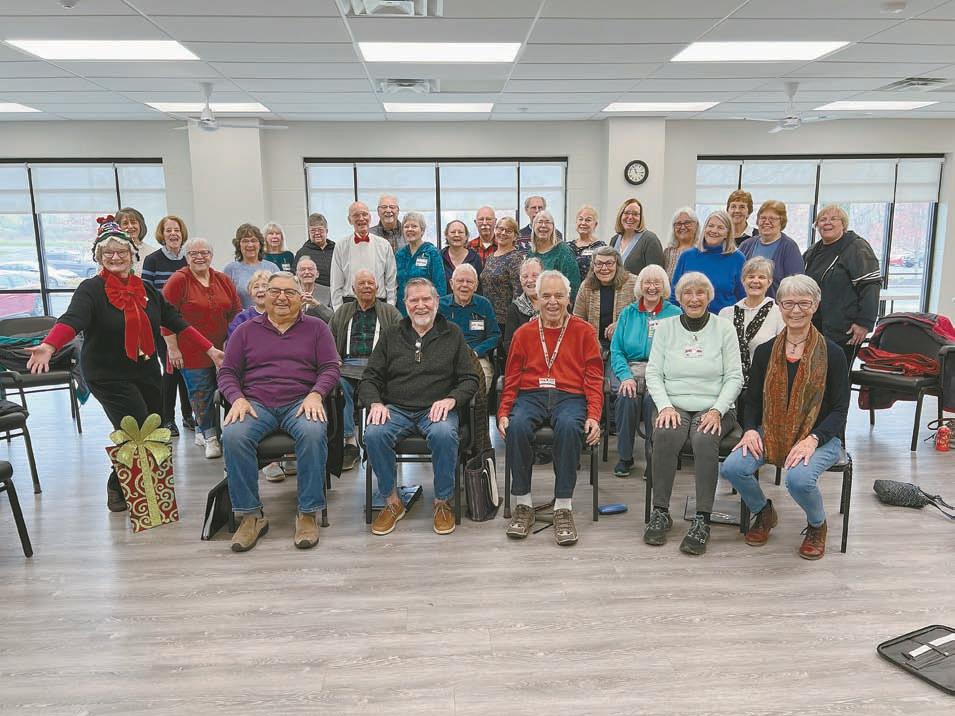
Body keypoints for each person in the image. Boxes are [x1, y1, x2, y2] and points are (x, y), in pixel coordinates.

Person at [26, 216, 222, 512]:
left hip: (145, 370)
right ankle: (137, 497)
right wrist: (49, 345)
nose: (115, 258)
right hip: (107, 374)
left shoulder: (147, 290)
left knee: (154, 429)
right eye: (108, 253)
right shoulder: (91, 290)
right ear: (99, 257)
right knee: (136, 428)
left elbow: (177, 321)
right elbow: (72, 319)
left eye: (121, 252)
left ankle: (127, 487)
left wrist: (211, 350)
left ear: (132, 255)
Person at [720, 275, 849, 561]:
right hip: (773, 429)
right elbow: (752, 400)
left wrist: (813, 439)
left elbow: (840, 410)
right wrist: (750, 430)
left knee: (799, 480)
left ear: (815, 305)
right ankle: (763, 511)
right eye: (789, 303)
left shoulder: (833, 353)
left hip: (820, 436)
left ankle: (817, 525)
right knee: (732, 468)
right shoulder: (766, 351)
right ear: (779, 306)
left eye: (804, 303)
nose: (796, 310)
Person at [218, 272, 341, 553]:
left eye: (290, 292)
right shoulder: (245, 331)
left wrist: (316, 394)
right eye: (275, 291)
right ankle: (251, 515)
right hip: (256, 403)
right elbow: (227, 372)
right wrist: (236, 398)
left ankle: (307, 512)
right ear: (265, 295)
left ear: (301, 298)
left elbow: (330, 367)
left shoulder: (317, 329)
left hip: (301, 401)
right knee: (233, 436)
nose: (282, 298)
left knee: (313, 433)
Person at [359, 278, 480, 537]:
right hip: (396, 409)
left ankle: (442, 502)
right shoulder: (391, 335)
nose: (421, 305)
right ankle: (392, 502)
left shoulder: (452, 333)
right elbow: (369, 378)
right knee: (374, 433)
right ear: (405, 304)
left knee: (444, 434)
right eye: (414, 300)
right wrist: (375, 403)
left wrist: (451, 400)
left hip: (436, 409)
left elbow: (470, 379)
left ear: (436, 302)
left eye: (426, 299)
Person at [498, 270, 603, 546]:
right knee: (517, 426)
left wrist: (594, 415)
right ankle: (523, 504)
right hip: (531, 394)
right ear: (537, 299)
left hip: (570, 395)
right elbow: (511, 378)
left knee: (569, 427)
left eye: (559, 296)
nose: (552, 302)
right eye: (546, 296)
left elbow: (594, 377)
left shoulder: (584, 331)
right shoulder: (523, 333)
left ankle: (563, 506)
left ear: (569, 298)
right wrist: (503, 412)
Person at [644, 271, 743, 556]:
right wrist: (664, 405)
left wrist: (717, 410)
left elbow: (734, 377)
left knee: (704, 437)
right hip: (673, 403)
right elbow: (653, 372)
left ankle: (702, 519)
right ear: (679, 297)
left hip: (715, 405)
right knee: (665, 433)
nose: (694, 298)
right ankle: (660, 511)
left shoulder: (724, 328)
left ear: (709, 297)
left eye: (700, 293)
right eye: (688, 293)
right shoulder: (666, 328)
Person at [162, 237, 241, 459]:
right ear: (186, 257)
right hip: (191, 350)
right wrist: (173, 349)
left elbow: (236, 311)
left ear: (211, 255)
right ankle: (210, 437)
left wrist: (232, 341)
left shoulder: (222, 279)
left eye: (204, 253)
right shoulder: (179, 280)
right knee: (201, 393)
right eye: (194, 253)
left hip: (223, 349)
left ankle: (207, 429)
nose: (199, 257)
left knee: (225, 390)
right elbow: (165, 316)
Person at [608, 264, 681, 478]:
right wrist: (625, 377)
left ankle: (653, 456)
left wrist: (662, 375)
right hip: (631, 368)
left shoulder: (675, 314)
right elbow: (616, 350)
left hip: (662, 370)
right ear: (640, 285)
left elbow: (678, 350)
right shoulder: (628, 313)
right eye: (647, 282)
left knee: (653, 401)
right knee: (626, 398)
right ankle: (625, 456)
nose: (652, 287)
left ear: (664, 286)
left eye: (657, 283)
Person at [330, 270, 402, 472]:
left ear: (378, 288)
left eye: (371, 283)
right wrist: (334, 357)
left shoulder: (390, 312)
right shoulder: (343, 311)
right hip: (347, 366)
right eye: (362, 283)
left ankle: (376, 439)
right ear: (353, 289)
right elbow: (328, 339)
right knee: (337, 385)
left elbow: (402, 340)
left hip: (378, 367)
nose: (367, 286)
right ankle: (350, 442)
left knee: (385, 388)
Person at [803, 204, 881, 366]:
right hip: (815, 327)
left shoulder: (856, 248)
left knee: (838, 375)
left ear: (843, 224)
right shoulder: (813, 251)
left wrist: (864, 323)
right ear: (817, 225)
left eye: (833, 219)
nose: (827, 223)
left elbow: (870, 287)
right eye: (822, 220)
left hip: (845, 330)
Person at [141, 214, 194, 436]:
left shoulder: (189, 258)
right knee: (171, 371)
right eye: (168, 230)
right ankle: (168, 419)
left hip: (185, 325)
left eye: (176, 230)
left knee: (186, 371)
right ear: (162, 235)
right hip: (163, 326)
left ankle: (188, 415)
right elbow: (145, 294)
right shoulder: (152, 260)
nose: (173, 234)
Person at [718, 256, 785, 419]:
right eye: (751, 276)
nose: (755, 281)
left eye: (761, 277)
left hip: (763, 390)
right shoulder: (726, 313)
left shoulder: (779, 313)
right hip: (727, 388)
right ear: (743, 281)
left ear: (769, 282)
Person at [670, 210, 745, 315]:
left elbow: (743, 297)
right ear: (704, 228)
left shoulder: (738, 258)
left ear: (727, 233)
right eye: (711, 226)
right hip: (689, 320)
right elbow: (674, 294)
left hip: (724, 320)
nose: (714, 230)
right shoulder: (687, 256)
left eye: (720, 227)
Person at [439, 264, 500, 392]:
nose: (464, 285)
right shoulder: (440, 306)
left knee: (480, 383)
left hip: (477, 358)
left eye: (469, 282)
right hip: (446, 358)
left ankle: (477, 406)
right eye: (460, 281)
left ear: (476, 286)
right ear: (451, 284)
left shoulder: (484, 304)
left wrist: (476, 352)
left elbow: (495, 336)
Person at [330, 201, 397, 309]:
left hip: (379, 303)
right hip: (350, 304)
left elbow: (391, 281)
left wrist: (390, 307)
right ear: (349, 220)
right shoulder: (341, 246)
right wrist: (338, 310)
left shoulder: (384, 245)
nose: (361, 218)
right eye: (356, 215)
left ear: (370, 217)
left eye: (364, 214)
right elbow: (336, 283)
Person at [572, 246, 636, 351]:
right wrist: (590, 339)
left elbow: (643, 316)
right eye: (599, 264)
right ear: (593, 266)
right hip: (594, 345)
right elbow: (578, 320)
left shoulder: (633, 283)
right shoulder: (586, 286)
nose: (604, 268)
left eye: (609, 263)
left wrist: (622, 324)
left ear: (617, 265)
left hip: (626, 346)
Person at [739, 200, 805, 297]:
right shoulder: (746, 245)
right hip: (745, 303)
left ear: (781, 222)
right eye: (763, 218)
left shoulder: (789, 247)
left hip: (776, 305)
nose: (766, 222)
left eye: (772, 219)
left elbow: (796, 285)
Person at [394, 211, 446, 315]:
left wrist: (437, 311)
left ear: (422, 230)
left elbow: (440, 285)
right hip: (403, 310)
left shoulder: (432, 252)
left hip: (425, 309)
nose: (410, 229)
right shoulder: (399, 254)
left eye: (414, 226)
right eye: (406, 226)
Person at [480, 216, 524, 335]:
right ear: (495, 230)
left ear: (515, 236)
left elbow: (518, 292)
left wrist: (513, 319)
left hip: (506, 322)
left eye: (508, 231)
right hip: (488, 317)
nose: (503, 233)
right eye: (500, 229)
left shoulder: (516, 258)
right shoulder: (490, 257)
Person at [527, 210, 580, 301]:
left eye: (547, 222)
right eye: (540, 222)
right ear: (533, 226)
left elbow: (573, 284)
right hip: (534, 304)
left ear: (553, 227)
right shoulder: (531, 253)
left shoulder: (563, 251)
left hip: (557, 304)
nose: (543, 225)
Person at [223, 223, 280, 309]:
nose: (250, 245)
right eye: (245, 241)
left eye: (253, 240)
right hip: (243, 316)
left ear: (260, 244)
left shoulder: (272, 268)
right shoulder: (230, 270)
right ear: (239, 245)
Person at [608, 198, 664, 278]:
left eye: (635, 214)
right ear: (620, 215)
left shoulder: (650, 240)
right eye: (626, 213)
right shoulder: (614, 240)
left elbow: (655, 275)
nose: (630, 217)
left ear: (640, 218)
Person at [293, 213, 335, 307]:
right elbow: (295, 277)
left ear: (326, 231)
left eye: (320, 230)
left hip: (336, 294)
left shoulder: (336, 249)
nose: (316, 233)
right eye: (313, 231)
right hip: (315, 295)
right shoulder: (302, 252)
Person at [503, 257, 542, 355]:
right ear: (520, 280)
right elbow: (509, 345)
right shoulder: (514, 309)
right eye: (525, 276)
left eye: (535, 275)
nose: (530, 280)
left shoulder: (555, 303)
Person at [440, 219, 483, 295]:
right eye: (453, 232)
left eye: (460, 232)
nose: (457, 235)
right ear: (446, 235)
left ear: (466, 236)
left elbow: (479, 288)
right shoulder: (439, 257)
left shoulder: (475, 258)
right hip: (443, 301)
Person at [228, 272, 271, 337]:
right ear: (250, 293)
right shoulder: (242, 318)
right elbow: (233, 339)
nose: (260, 290)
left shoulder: (280, 315)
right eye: (256, 287)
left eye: (265, 286)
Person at [569, 204, 606, 279]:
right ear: (576, 222)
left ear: (595, 224)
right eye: (580, 219)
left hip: (591, 285)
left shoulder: (600, 247)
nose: (583, 223)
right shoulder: (567, 246)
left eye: (588, 220)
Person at [116, 206, 156, 274]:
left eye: (133, 222)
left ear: (140, 225)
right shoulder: (112, 253)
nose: (130, 226)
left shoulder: (152, 253)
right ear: (118, 228)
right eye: (125, 223)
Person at [664, 207, 699, 278]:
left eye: (687, 223)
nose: (682, 227)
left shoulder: (701, 251)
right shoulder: (668, 252)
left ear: (696, 226)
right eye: (678, 224)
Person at [296, 256, 333, 323]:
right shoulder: (291, 292)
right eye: (302, 269)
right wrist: (298, 308)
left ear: (317, 274)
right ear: (297, 274)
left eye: (310, 269)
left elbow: (334, 319)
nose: (307, 272)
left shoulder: (328, 292)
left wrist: (316, 304)